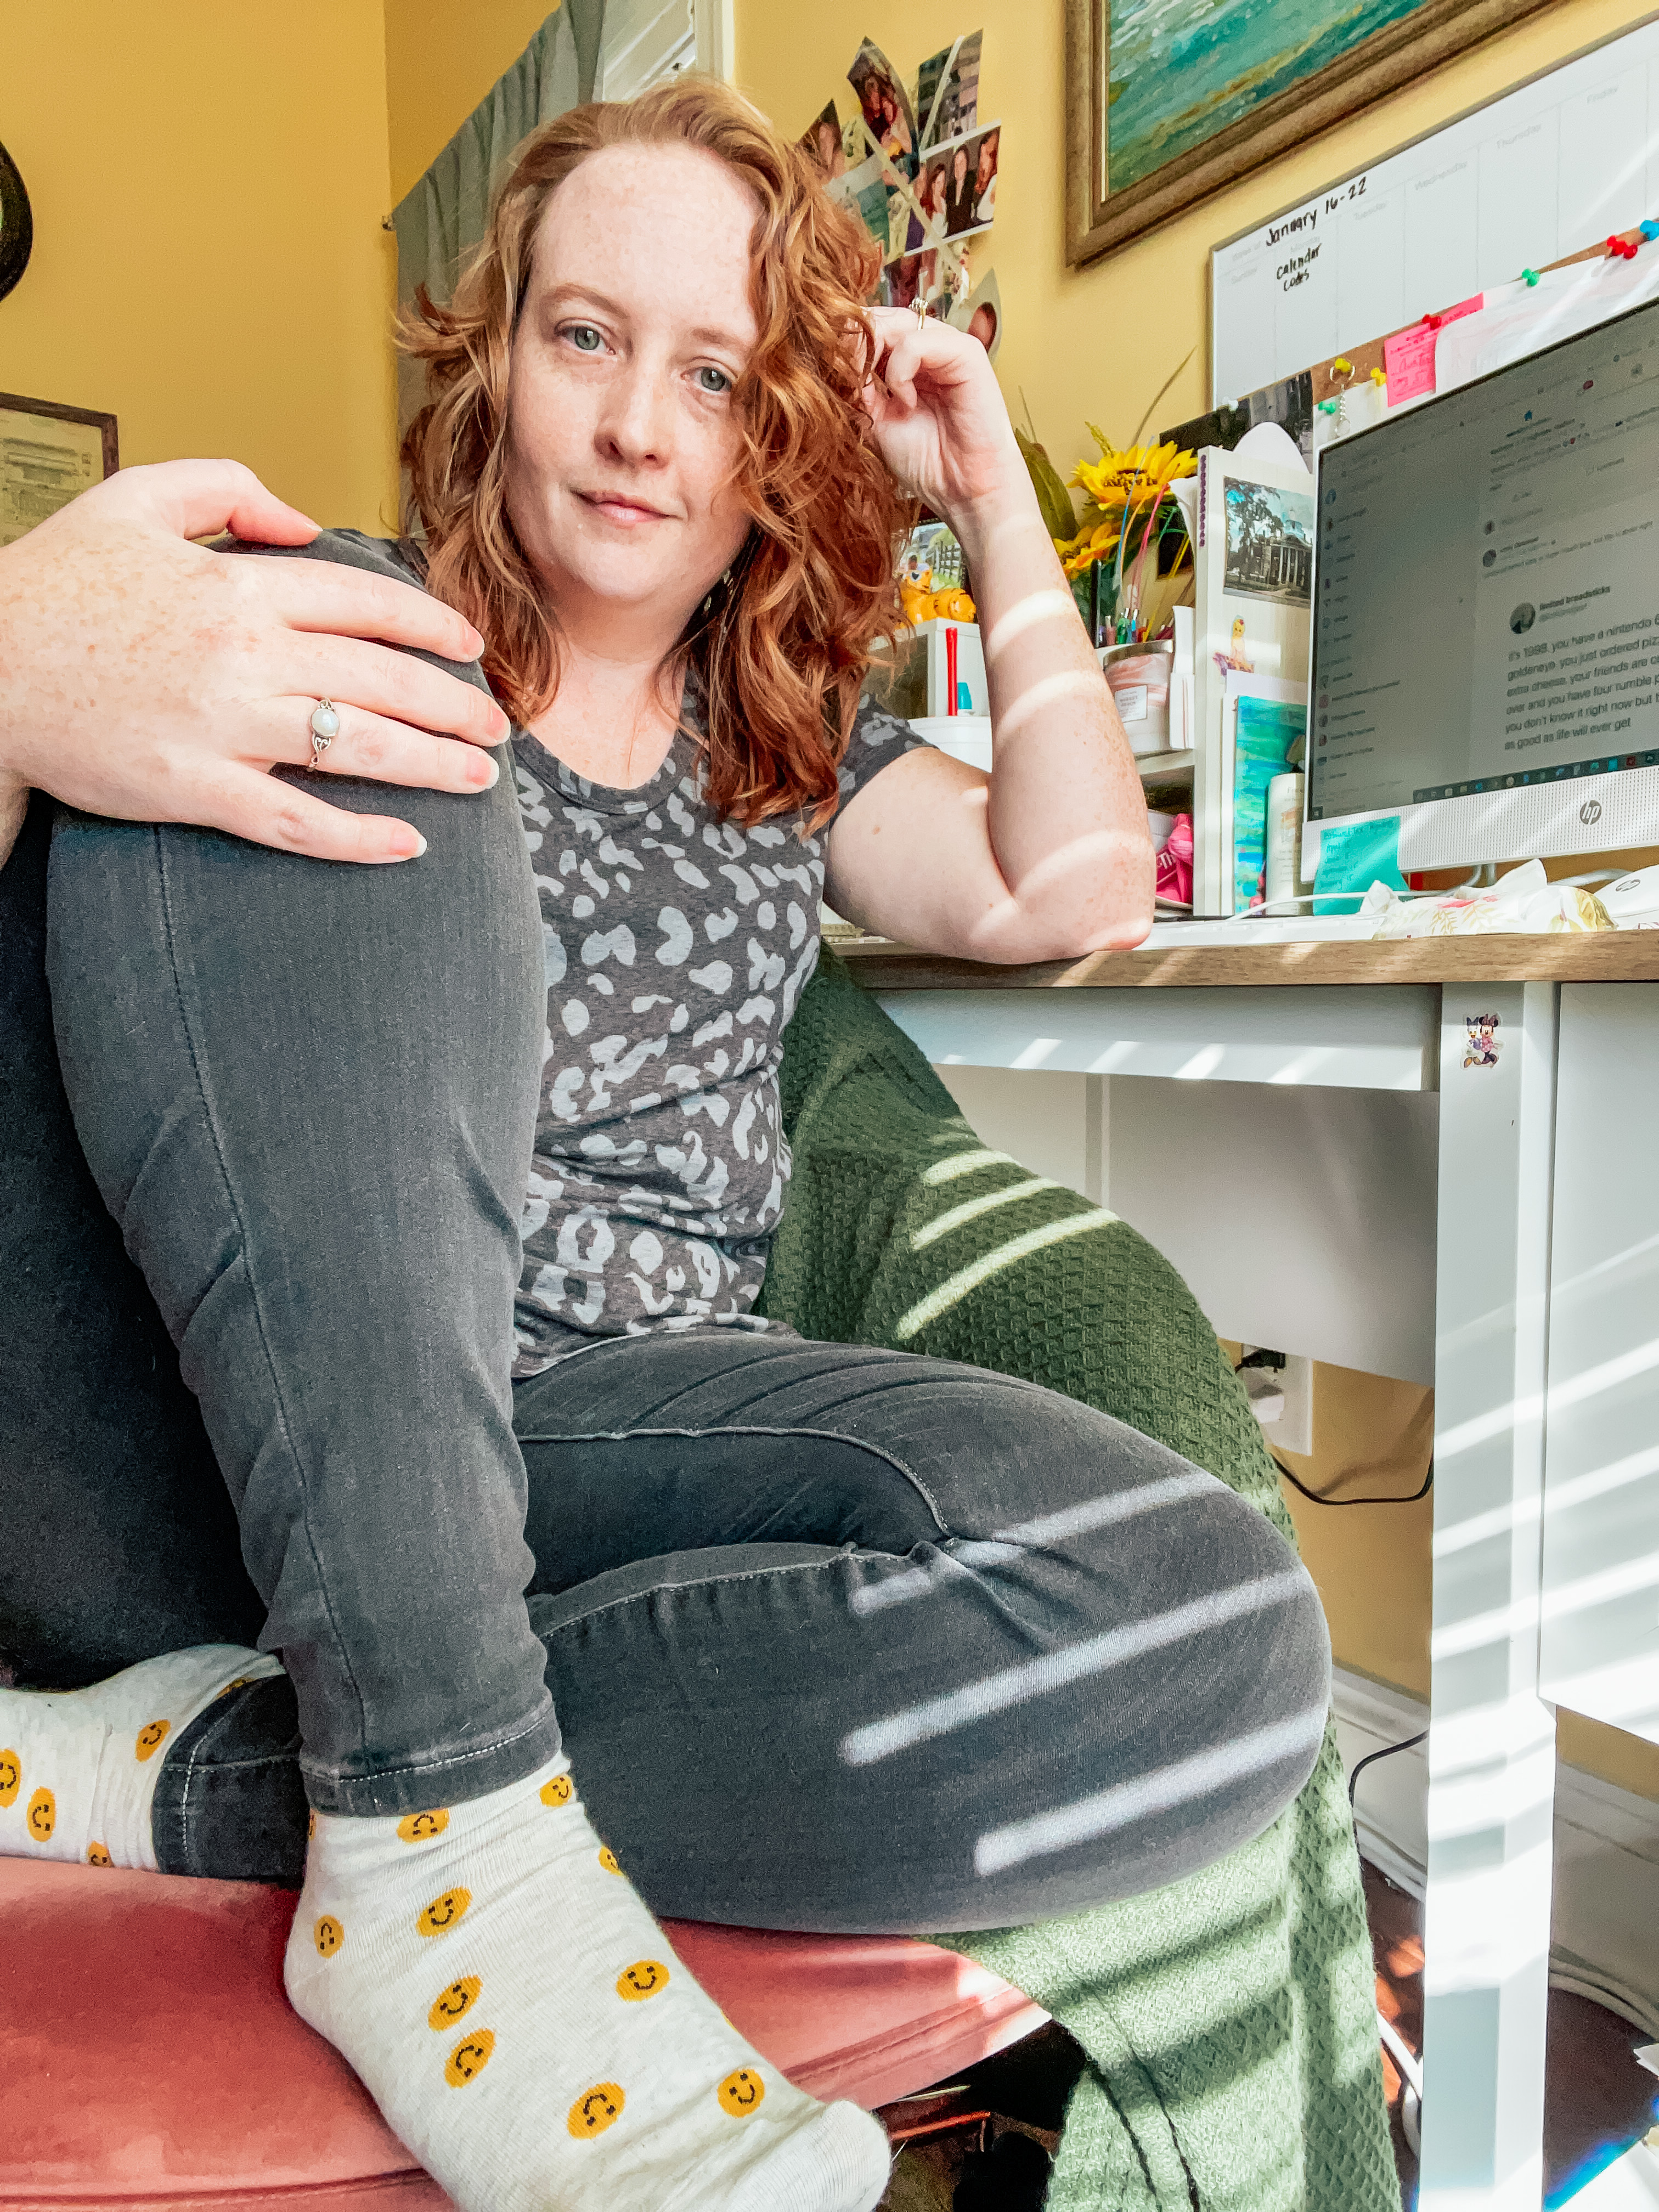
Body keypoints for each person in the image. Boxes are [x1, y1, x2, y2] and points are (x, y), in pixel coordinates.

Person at [0, 79, 1329, 2212]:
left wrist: (989, 474)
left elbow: (1075, 882)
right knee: (355, 653)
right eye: (585, 337)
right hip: (260, 1409)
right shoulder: (332, 638)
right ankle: (439, 1839)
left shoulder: (786, 763)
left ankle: (239, 1765)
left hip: (604, 1443)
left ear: (770, 441)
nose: (637, 425)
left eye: (712, 374)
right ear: (494, 359)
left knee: (1222, 1631)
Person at [943, 140, 975, 237]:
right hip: (952, 234)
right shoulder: (950, 188)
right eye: (956, 164)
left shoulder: (971, 180)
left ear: (967, 163)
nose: (959, 167)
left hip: (968, 232)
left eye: (962, 162)